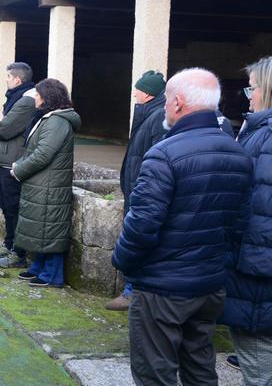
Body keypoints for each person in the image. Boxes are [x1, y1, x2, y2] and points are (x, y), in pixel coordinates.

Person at [112, 68, 253, 386]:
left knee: (154, 372)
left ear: (176, 103)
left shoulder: (163, 155)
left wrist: (123, 263)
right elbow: (240, 225)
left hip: (163, 289)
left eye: (165, 102)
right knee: (200, 366)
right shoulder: (239, 154)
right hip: (210, 286)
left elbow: (141, 225)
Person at [219, 56, 272, 385]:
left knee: (259, 361)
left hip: (257, 273)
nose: (247, 95)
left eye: (251, 88)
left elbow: (254, 206)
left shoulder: (265, 137)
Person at [9, 78, 80, 288]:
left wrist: (18, 169)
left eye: (39, 95)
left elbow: (42, 155)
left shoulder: (57, 121)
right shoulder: (50, 118)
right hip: (42, 183)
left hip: (50, 185)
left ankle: (52, 275)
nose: (36, 98)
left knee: (49, 228)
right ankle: (39, 267)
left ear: (48, 98)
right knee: (42, 227)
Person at [105, 70, 167, 311]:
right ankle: (132, 290)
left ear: (148, 93)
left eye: (138, 89)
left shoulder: (157, 117)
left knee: (139, 241)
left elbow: (154, 157)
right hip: (135, 190)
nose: (134, 93)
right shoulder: (147, 113)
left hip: (143, 192)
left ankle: (133, 291)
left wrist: (142, 187)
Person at [0, 62, 36, 269]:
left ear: (17, 80)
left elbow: (4, 129)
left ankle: (18, 253)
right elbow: (2, 124)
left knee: (13, 207)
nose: (5, 80)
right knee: (6, 206)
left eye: (8, 77)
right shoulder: (16, 99)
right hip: (4, 161)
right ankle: (8, 245)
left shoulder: (25, 102)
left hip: (12, 163)